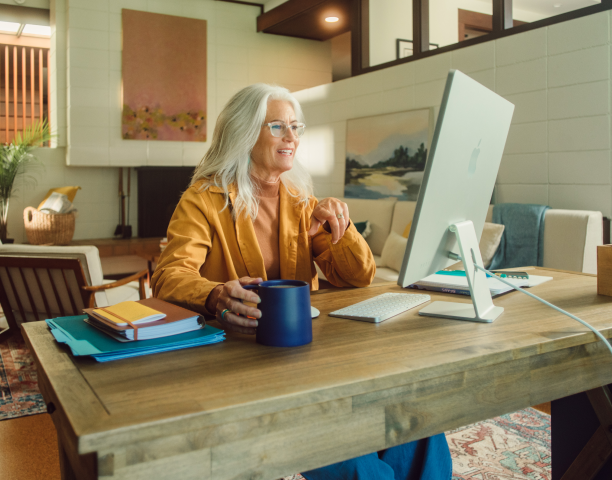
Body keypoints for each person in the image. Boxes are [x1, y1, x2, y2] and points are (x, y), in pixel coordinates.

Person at [151, 84, 451, 479]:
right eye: (278, 126)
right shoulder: (202, 200)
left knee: (415, 410)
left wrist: (339, 223)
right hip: (243, 359)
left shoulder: (303, 202)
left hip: (309, 351)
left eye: (296, 127)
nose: (292, 137)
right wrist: (215, 293)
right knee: (350, 456)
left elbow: (359, 276)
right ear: (244, 132)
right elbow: (170, 275)